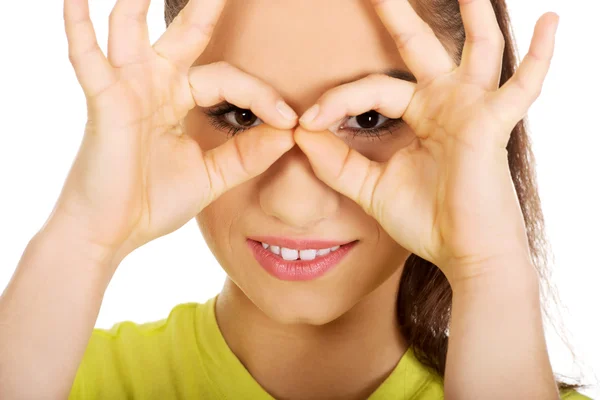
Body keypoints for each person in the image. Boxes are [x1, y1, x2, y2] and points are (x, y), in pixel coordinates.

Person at [0, 0, 594, 398]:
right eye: (237, 113)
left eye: (369, 116)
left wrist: (491, 268)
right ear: (177, 116)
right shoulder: (62, 379)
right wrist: (82, 238)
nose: (294, 201)